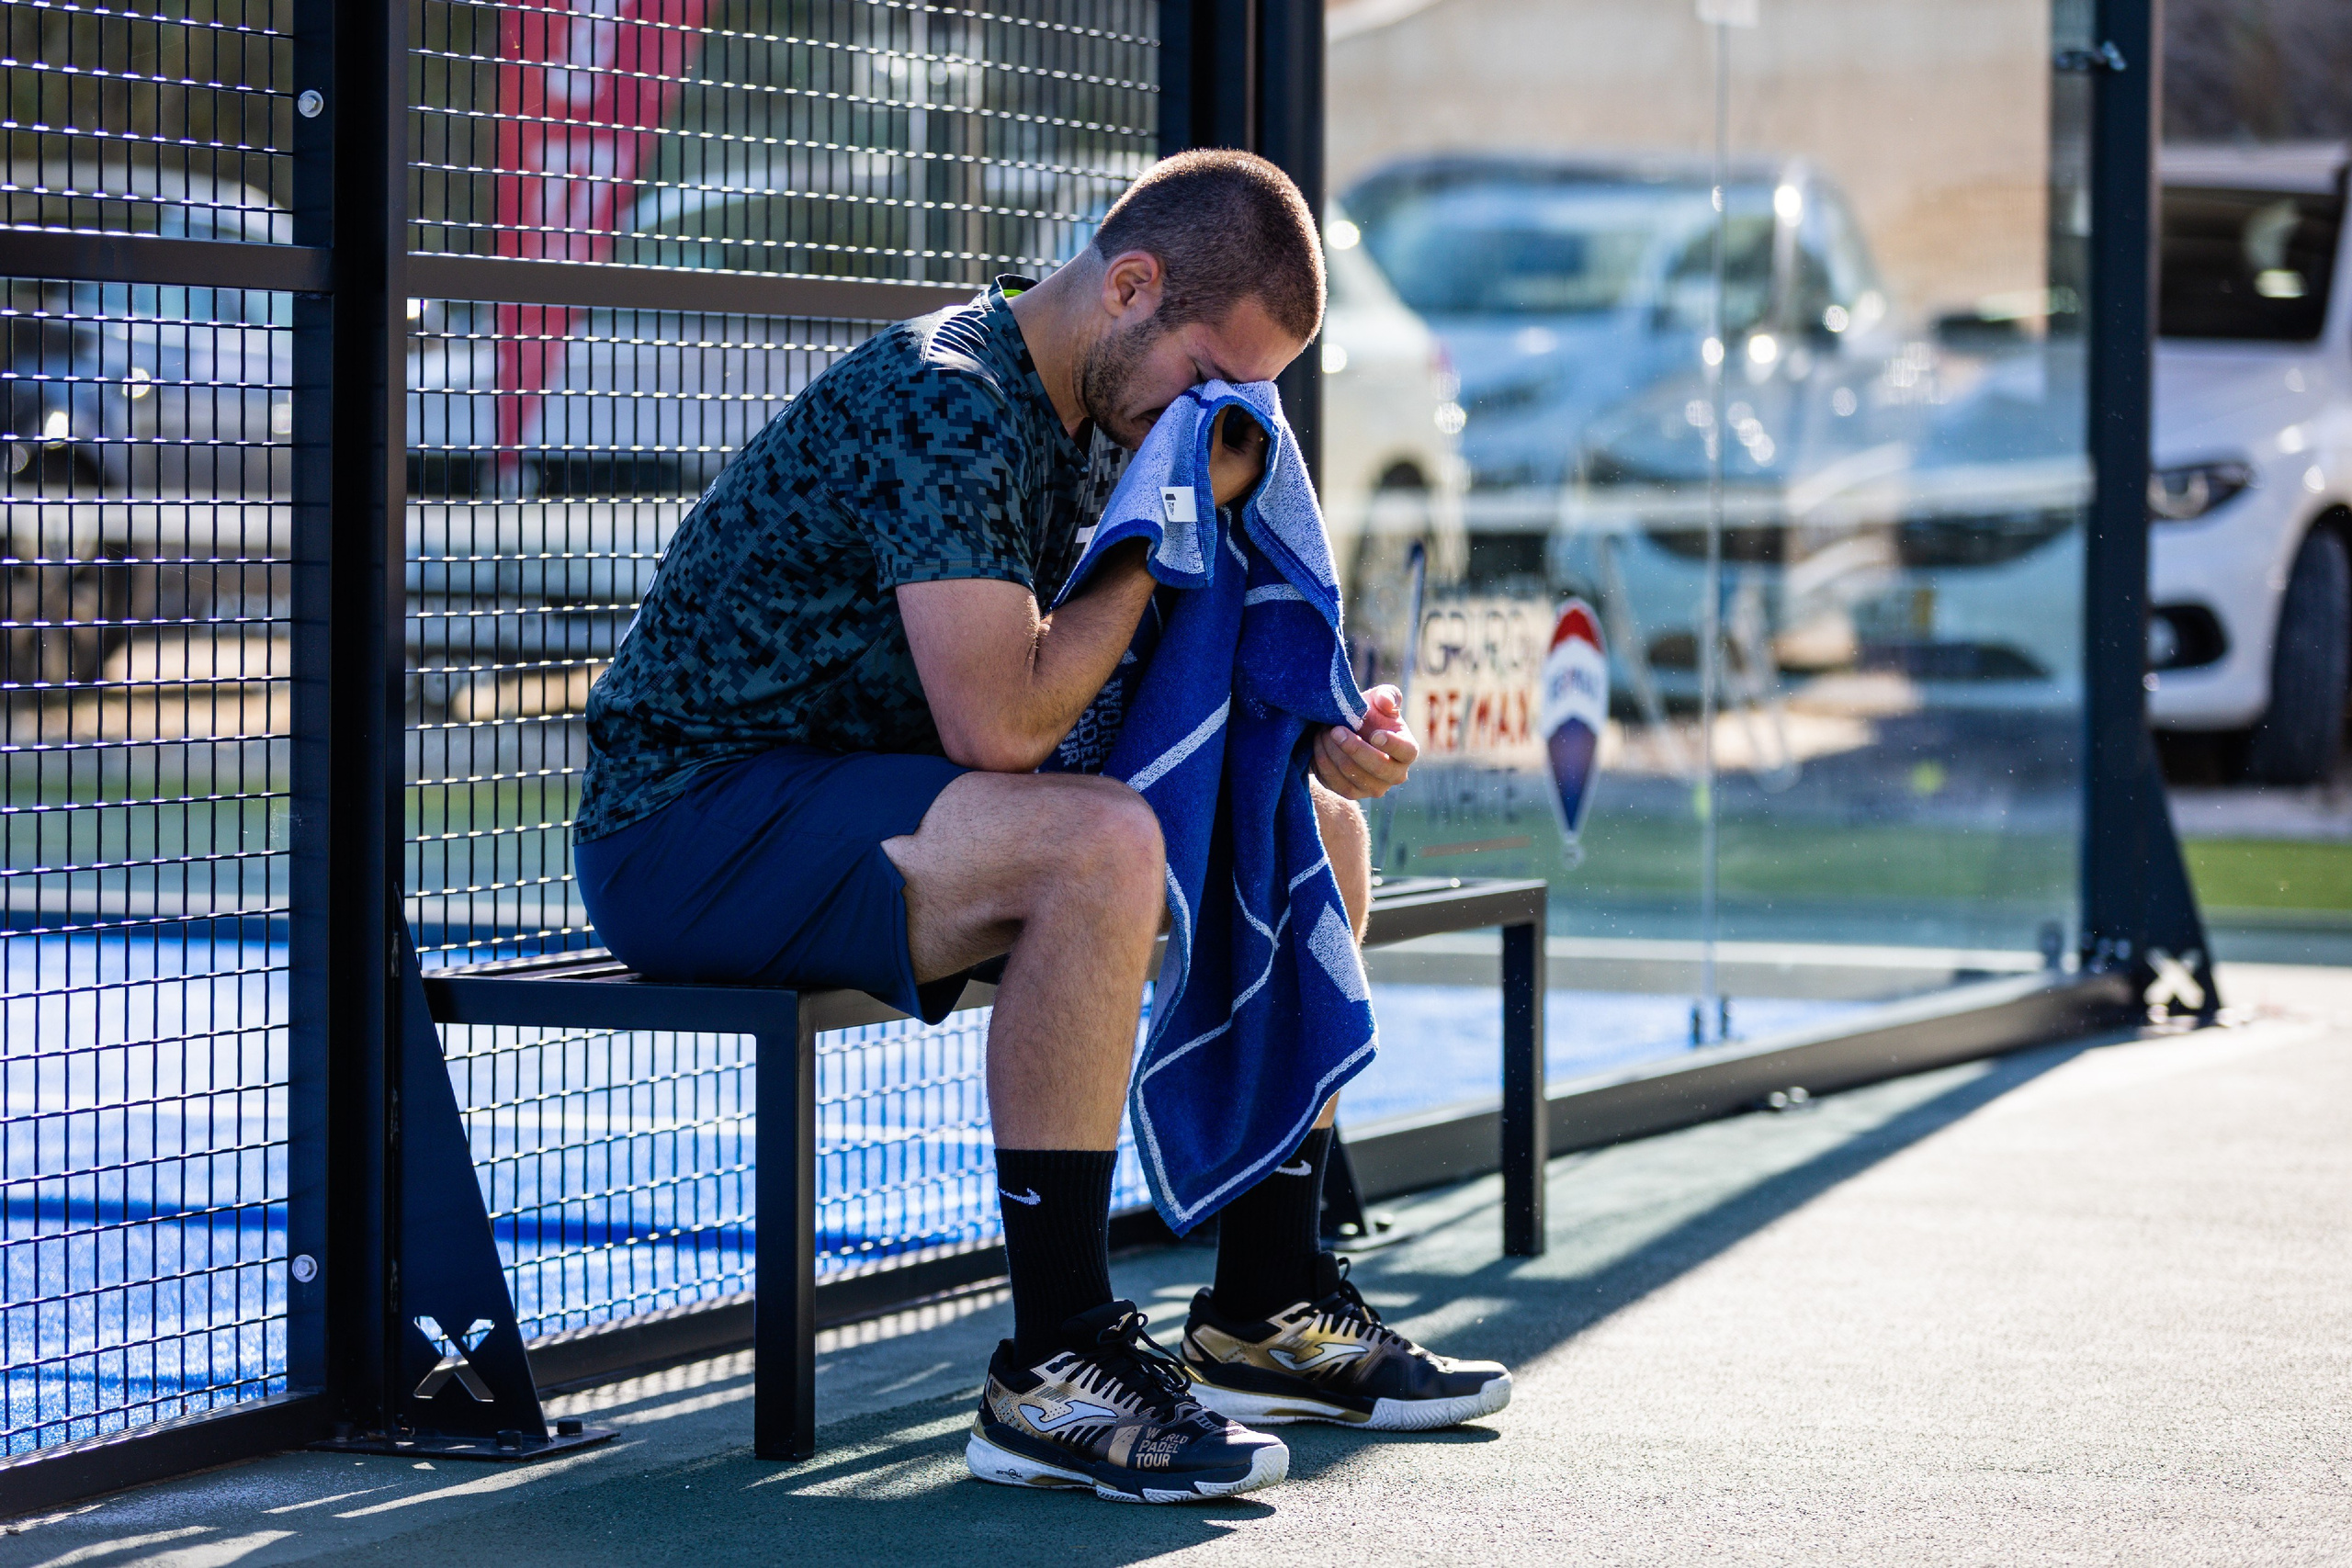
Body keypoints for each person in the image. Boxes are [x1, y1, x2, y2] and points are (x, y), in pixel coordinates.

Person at [572, 148, 1510, 1505]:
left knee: (1307, 823)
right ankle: (1054, 1364)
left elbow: (1137, 687)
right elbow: (1006, 727)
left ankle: (1264, 1301)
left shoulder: (1107, 416)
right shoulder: (947, 399)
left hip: (860, 806)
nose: (1222, 421)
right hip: (688, 824)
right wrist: (1158, 529)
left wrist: (1317, 731)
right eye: (1210, 379)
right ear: (1130, 286)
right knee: (1098, 847)